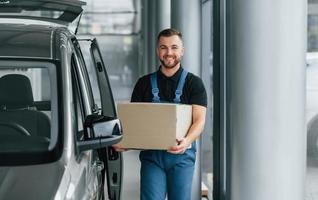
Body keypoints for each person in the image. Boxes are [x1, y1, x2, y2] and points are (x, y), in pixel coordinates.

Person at [113, 28, 207, 200]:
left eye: (174, 47)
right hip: (152, 158)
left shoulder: (194, 84)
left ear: (182, 51)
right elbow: (137, 124)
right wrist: (126, 142)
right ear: (157, 50)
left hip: (181, 156)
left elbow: (199, 121)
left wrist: (186, 141)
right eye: (163, 47)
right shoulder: (143, 84)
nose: (169, 52)